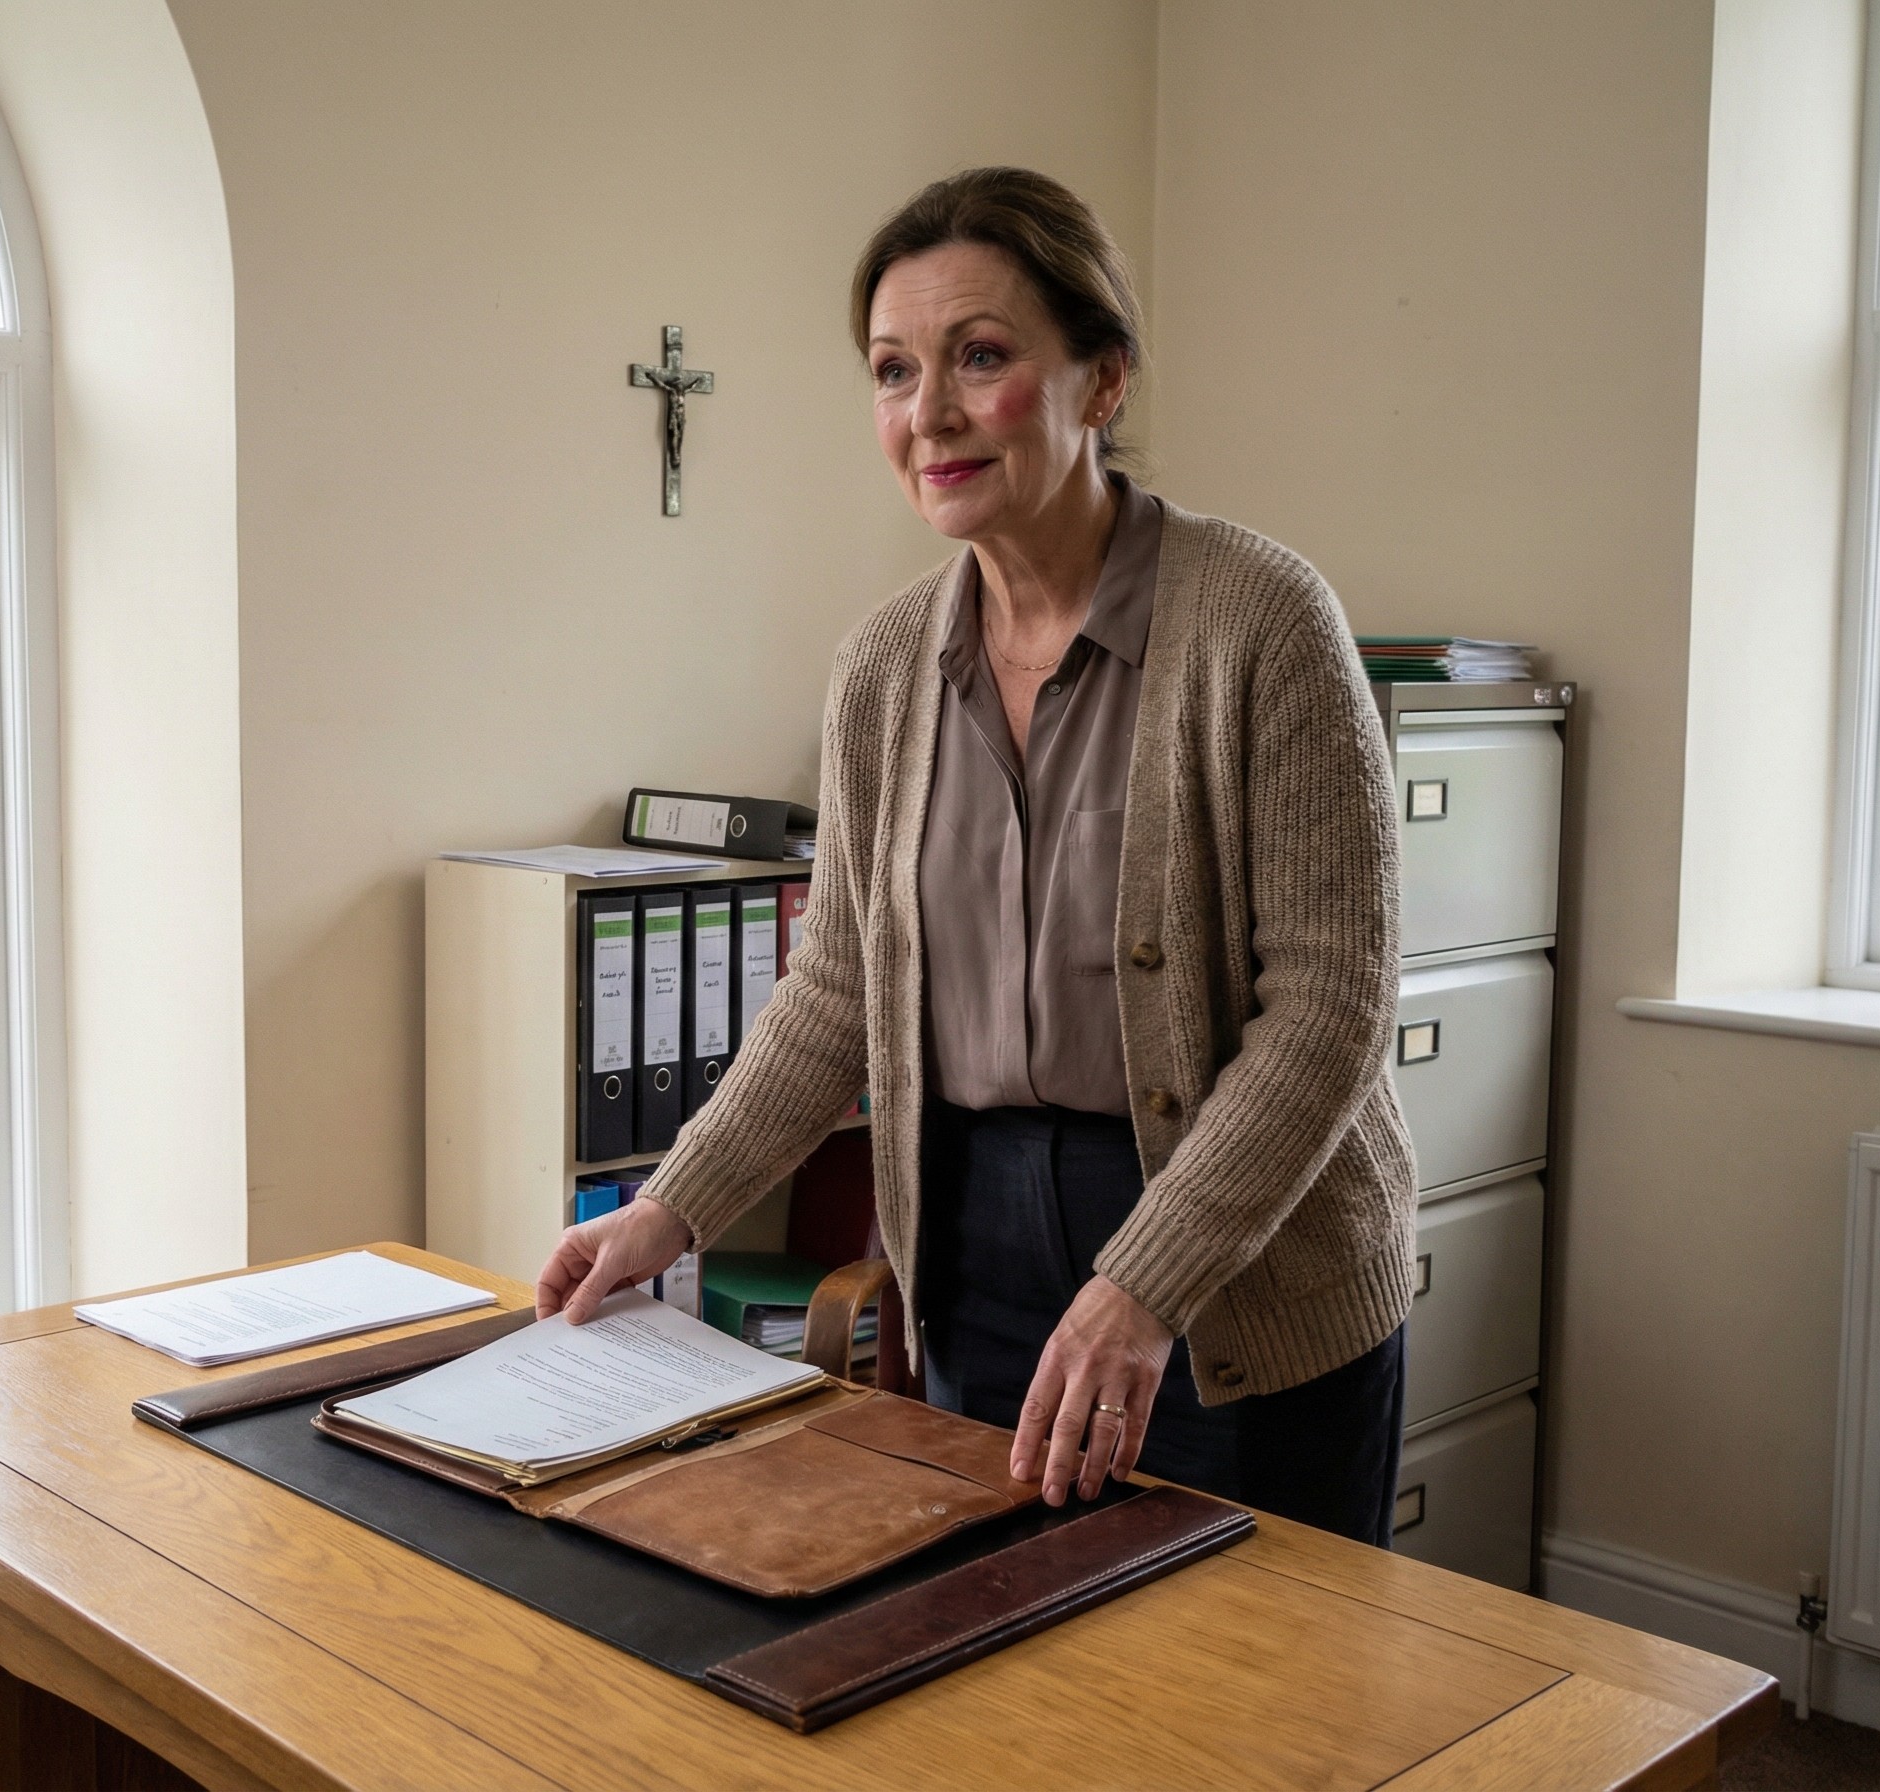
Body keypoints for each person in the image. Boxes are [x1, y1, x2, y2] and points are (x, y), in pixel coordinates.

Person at [535, 167, 1417, 1546]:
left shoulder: (1264, 621)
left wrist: (1149, 1285)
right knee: (1002, 1684)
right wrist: (672, 1210)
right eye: (894, 371)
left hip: (1237, 1265)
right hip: (977, 1262)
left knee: (1252, 1726)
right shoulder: (885, 668)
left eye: (982, 357)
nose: (928, 413)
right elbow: (837, 990)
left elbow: (1330, 1012)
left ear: (1104, 379)